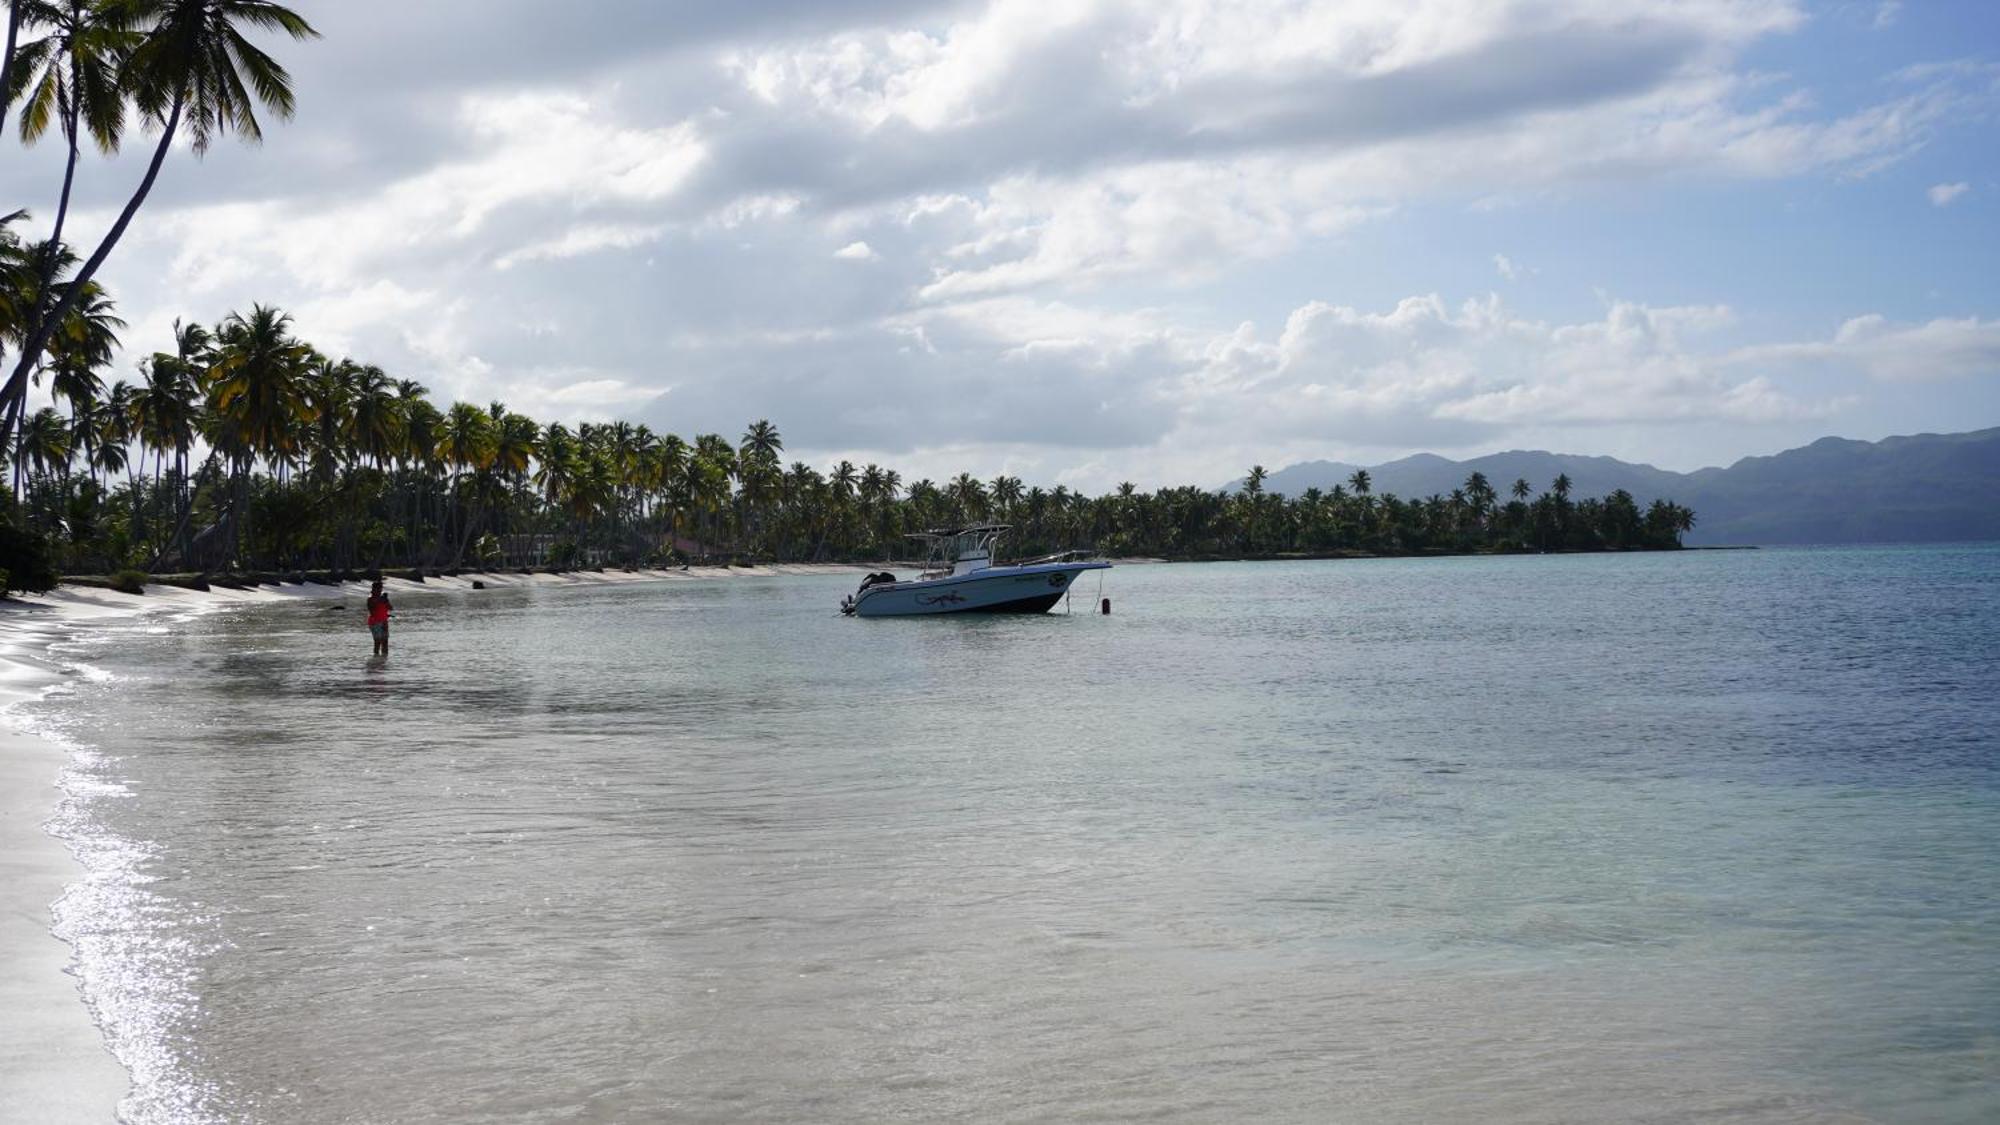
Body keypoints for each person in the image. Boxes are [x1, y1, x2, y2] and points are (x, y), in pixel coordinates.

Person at [366, 579, 392, 656]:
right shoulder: (371, 598)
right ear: (373, 589)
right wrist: (380, 600)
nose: (380, 590)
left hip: (384, 621)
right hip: (375, 622)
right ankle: (376, 658)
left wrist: (386, 601)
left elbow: (390, 608)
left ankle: (384, 659)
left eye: (381, 589)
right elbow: (371, 610)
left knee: (385, 641)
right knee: (377, 642)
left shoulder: (383, 598)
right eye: (378, 589)